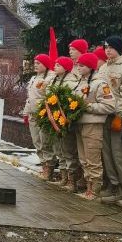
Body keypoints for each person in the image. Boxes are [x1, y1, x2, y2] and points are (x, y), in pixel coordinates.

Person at [98, 36, 122, 206]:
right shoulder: (104, 67)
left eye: (111, 47)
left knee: (120, 154)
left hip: (117, 117)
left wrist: (120, 115)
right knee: (107, 154)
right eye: (106, 47)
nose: (108, 50)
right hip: (102, 114)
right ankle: (115, 187)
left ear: (119, 49)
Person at [72, 53, 115, 200]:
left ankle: (95, 189)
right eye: (78, 65)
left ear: (90, 67)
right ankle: (88, 186)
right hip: (80, 124)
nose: (78, 67)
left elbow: (109, 106)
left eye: (82, 65)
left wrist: (87, 107)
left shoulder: (100, 83)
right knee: (84, 158)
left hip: (93, 125)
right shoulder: (81, 82)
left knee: (93, 158)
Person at [50, 56, 82, 191]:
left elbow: (70, 101)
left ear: (66, 68)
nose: (55, 67)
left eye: (58, 65)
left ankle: (72, 180)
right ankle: (64, 177)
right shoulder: (55, 81)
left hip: (65, 121)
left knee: (69, 151)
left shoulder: (71, 82)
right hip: (55, 120)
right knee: (60, 150)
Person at [23, 54, 56, 180]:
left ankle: (49, 167)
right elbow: (29, 98)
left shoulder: (50, 78)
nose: (35, 65)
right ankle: (44, 165)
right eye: (35, 63)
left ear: (46, 65)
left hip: (43, 115)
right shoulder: (33, 78)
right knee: (36, 141)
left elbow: (49, 97)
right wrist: (26, 113)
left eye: (39, 63)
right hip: (33, 114)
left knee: (45, 142)